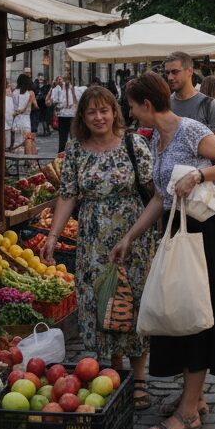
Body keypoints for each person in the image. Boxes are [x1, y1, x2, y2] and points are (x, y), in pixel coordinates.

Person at [109, 72, 215, 429]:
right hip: (176, 230)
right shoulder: (156, 138)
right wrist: (130, 237)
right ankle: (194, 398)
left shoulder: (189, 130)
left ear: (147, 105)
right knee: (182, 314)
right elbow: (159, 197)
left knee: (197, 317)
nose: (131, 113)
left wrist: (199, 178)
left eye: (133, 106)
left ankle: (188, 414)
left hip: (203, 236)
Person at [42, 85, 157, 409]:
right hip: (92, 241)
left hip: (132, 238)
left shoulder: (135, 145)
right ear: (82, 116)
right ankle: (113, 372)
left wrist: (139, 234)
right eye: (91, 111)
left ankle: (140, 378)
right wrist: (53, 236)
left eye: (103, 110)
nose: (98, 117)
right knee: (99, 304)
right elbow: (67, 195)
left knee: (132, 304)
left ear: (114, 112)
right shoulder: (76, 150)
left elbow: (154, 192)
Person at [164, 52, 215, 137]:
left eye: (175, 72)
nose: (170, 77)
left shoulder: (208, 105)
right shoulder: (165, 105)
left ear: (189, 71)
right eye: (167, 73)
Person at [51, 75, 86, 154]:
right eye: (65, 81)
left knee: (74, 136)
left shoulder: (76, 90)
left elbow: (80, 98)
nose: (65, 83)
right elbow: (54, 101)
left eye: (68, 81)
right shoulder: (59, 90)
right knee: (63, 137)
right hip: (63, 115)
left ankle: (75, 152)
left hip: (72, 115)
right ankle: (61, 153)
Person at [10, 74, 39, 154]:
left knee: (17, 141)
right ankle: (28, 160)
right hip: (26, 119)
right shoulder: (30, 93)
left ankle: (18, 160)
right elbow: (36, 106)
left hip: (16, 119)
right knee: (27, 140)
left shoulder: (14, 92)